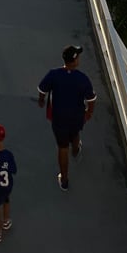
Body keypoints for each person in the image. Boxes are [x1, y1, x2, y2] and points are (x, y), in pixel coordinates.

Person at [37, 44, 96, 191]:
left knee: (62, 147)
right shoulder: (82, 78)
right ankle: (76, 150)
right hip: (76, 117)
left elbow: (42, 90)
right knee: (75, 133)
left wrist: (41, 100)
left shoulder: (54, 74)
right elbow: (91, 99)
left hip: (59, 118)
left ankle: (64, 179)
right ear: (75, 61)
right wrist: (89, 112)